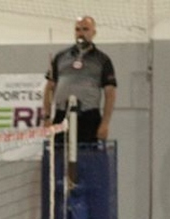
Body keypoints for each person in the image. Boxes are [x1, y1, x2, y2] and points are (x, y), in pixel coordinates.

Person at [42, 15, 117, 143]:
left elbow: (110, 94)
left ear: (94, 32)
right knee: (59, 157)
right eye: (77, 29)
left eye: (85, 29)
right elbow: (49, 88)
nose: (81, 33)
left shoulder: (102, 60)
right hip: (62, 115)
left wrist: (105, 124)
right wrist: (47, 117)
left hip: (88, 118)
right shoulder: (61, 57)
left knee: (88, 159)